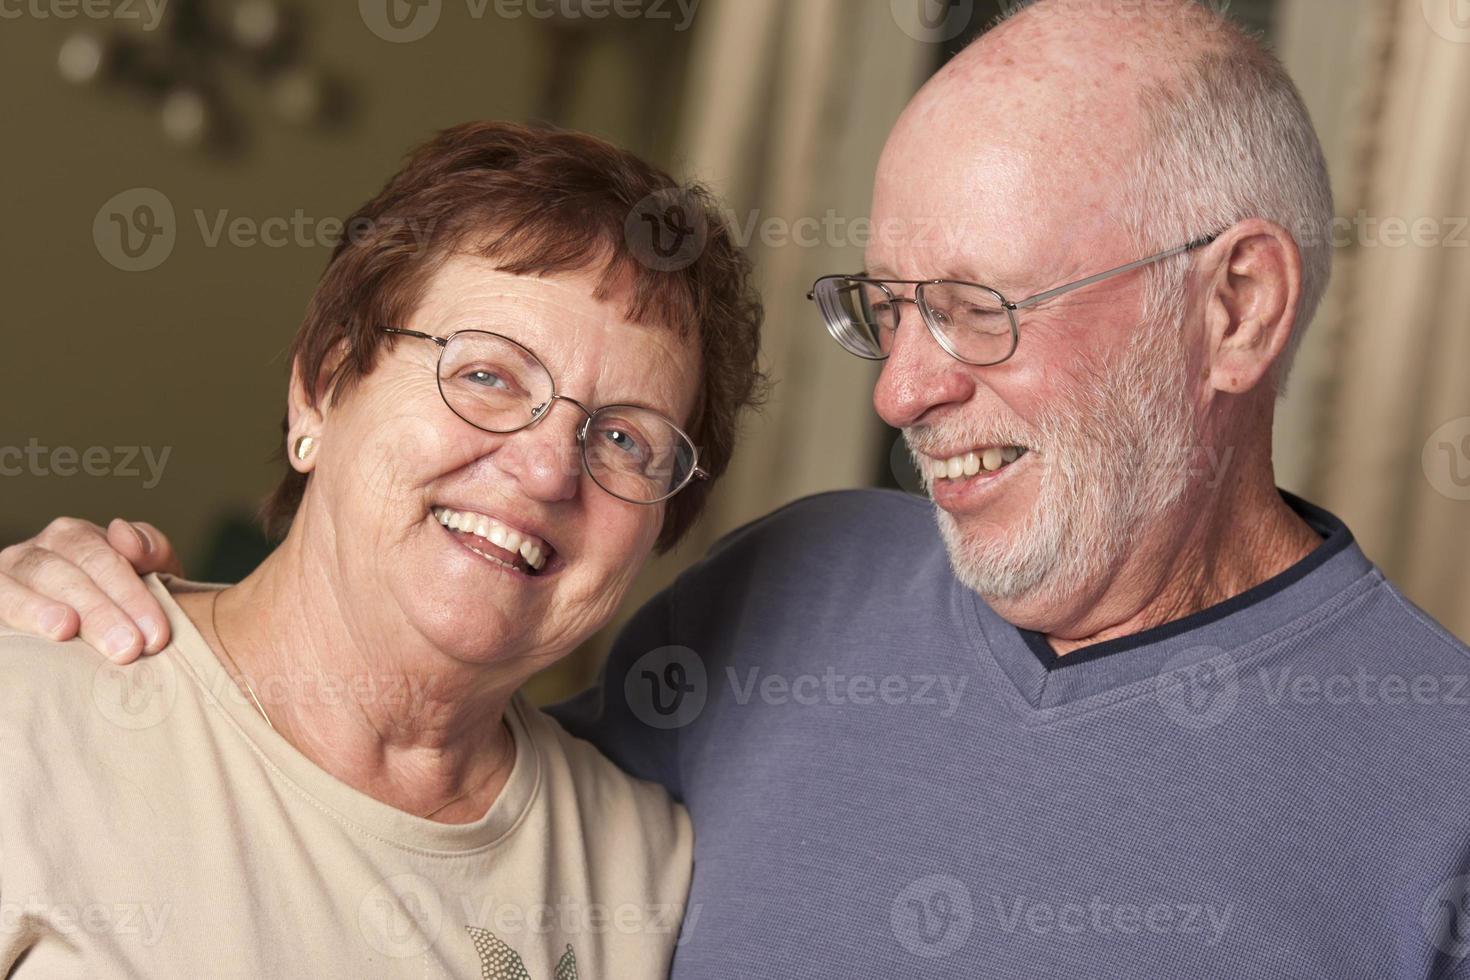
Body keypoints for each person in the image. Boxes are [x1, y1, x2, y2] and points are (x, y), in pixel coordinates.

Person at [5, 2, 1470, 977]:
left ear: (1232, 311)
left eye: (977, 306)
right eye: (888, 311)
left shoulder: (1438, 792)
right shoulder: (803, 582)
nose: (897, 395)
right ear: (320, 384)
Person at [0, 120, 767, 977]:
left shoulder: (646, 867)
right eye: (487, 375)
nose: (550, 469)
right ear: (320, 392)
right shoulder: (27, 718)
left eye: (625, 439)